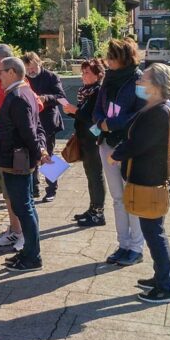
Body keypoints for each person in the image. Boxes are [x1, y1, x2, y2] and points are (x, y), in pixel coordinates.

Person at [111, 63, 170, 303]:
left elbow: (139, 143)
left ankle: (166, 288)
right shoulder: (157, 107)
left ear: (157, 85)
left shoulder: (159, 111)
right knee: (153, 230)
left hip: (153, 177)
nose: (140, 82)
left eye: (145, 79)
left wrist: (116, 154)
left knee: (154, 232)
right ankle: (161, 277)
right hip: (150, 175)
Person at [0, 57, 48, 272]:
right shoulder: (24, 92)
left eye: (2, 72)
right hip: (16, 158)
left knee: (24, 207)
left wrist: (40, 152)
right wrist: (41, 149)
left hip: (17, 160)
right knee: (25, 206)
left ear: (13, 72)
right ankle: (29, 252)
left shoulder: (18, 96)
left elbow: (29, 131)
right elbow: (36, 127)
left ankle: (32, 256)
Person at [95, 38, 145, 266]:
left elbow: (141, 113)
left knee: (131, 196)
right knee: (117, 198)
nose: (108, 60)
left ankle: (136, 247)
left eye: (112, 57)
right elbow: (98, 106)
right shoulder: (108, 78)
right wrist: (100, 123)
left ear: (124, 58)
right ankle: (123, 244)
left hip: (127, 144)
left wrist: (112, 124)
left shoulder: (138, 79)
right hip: (106, 143)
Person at [63, 59, 108, 227]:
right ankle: (92, 208)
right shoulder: (87, 91)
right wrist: (72, 112)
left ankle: (98, 213)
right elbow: (83, 116)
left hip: (93, 140)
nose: (83, 76)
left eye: (87, 72)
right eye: (82, 72)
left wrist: (76, 111)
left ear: (98, 75)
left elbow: (92, 117)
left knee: (96, 176)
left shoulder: (97, 92)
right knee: (91, 175)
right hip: (85, 139)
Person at [23, 52, 67, 203]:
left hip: (48, 122)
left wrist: (46, 98)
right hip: (30, 122)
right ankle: (33, 188)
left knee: (48, 155)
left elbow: (62, 98)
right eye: (28, 68)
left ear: (39, 63)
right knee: (31, 155)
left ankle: (51, 189)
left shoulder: (51, 77)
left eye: (33, 67)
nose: (31, 71)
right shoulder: (24, 79)